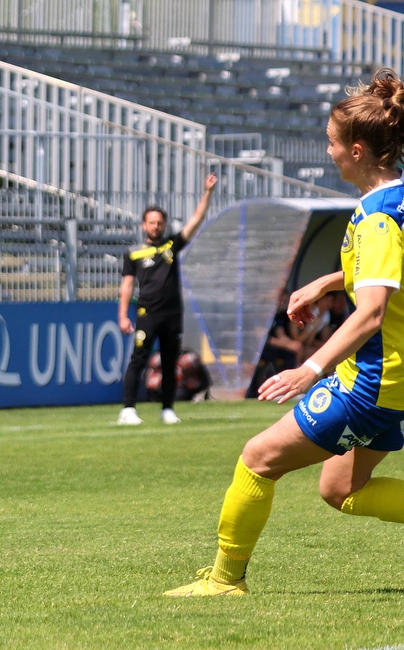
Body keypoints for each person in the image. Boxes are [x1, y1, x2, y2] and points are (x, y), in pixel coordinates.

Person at [165, 68, 404, 597]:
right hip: (396, 382)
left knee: (257, 458)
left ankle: (226, 580)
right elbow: (388, 275)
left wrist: (308, 368)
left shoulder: (378, 217)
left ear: (359, 150)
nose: (330, 153)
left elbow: (369, 313)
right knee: (342, 488)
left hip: (369, 382)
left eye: (333, 143)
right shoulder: (399, 205)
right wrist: (326, 281)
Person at [117, 173, 218, 425]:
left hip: (172, 315)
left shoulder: (171, 245)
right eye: (151, 223)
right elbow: (127, 285)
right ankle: (128, 409)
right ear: (143, 225)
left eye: (160, 223)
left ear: (164, 224)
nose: (156, 227)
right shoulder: (133, 253)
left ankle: (167, 409)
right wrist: (122, 316)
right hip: (147, 314)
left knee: (170, 362)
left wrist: (207, 192)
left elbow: (196, 219)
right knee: (138, 360)